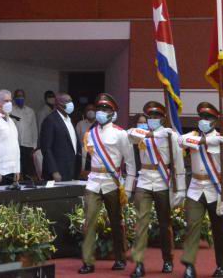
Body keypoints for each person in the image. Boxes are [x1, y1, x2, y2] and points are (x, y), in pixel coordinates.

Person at [180, 102, 223, 278]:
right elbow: (180, 140)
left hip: (216, 190)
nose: (203, 121)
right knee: (192, 227)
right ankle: (189, 265)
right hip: (195, 189)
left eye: (208, 118)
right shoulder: (192, 136)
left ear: (215, 121)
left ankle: (221, 266)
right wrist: (205, 140)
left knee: (219, 231)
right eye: (201, 118)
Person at [127, 101, 186, 278]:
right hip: (144, 180)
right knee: (141, 223)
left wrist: (180, 190)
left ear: (162, 118)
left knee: (164, 224)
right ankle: (138, 263)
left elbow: (179, 164)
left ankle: (168, 260)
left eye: (156, 117)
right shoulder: (141, 134)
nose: (152, 120)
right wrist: (142, 130)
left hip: (163, 181)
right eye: (149, 117)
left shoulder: (170, 136)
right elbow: (128, 134)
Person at [78, 93, 134, 274]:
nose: (101, 112)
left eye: (105, 109)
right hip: (93, 182)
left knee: (116, 222)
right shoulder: (90, 133)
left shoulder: (121, 134)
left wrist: (130, 187)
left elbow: (131, 162)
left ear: (113, 113)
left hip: (112, 182)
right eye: (99, 109)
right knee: (89, 222)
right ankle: (88, 261)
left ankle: (120, 258)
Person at [39, 92, 81, 181]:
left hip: (71, 169)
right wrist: (54, 171)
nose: (71, 104)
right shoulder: (50, 120)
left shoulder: (69, 120)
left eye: (71, 101)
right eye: (68, 101)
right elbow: (46, 148)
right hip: (58, 172)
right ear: (59, 104)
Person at [11, 89, 37, 178]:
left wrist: (34, 145)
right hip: (15, 144)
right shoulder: (11, 111)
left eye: (21, 96)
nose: (20, 98)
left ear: (24, 98)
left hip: (28, 145)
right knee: (16, 169)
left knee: (27, 170)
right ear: (14, 98)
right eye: (18, 96)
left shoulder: (30, 111)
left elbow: (34, 129)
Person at [76, 103, 96, 175]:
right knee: (83, 173)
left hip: (97, 153)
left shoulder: (99, 124)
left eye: (93, 110)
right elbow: (77, 139)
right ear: (85, 112)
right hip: (83, 153)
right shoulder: (80, 124)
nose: (90, 111)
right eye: (88, 110)